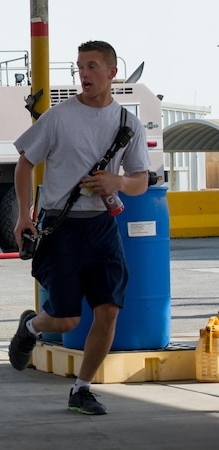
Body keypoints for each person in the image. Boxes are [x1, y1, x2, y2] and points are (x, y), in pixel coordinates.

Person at [8, 41, 150, 415]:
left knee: (108, 311)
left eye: (91, 66)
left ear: (111, 73)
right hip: (61, 227)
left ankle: (81, 389)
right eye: (78, 67)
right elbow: (24, 164)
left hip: (102, 229)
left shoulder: (127, 124)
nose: (83, 74)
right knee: (67, 318)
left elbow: (141, 179)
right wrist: (24, 216)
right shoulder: (57, 118)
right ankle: (32, 328)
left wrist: (118, 183)